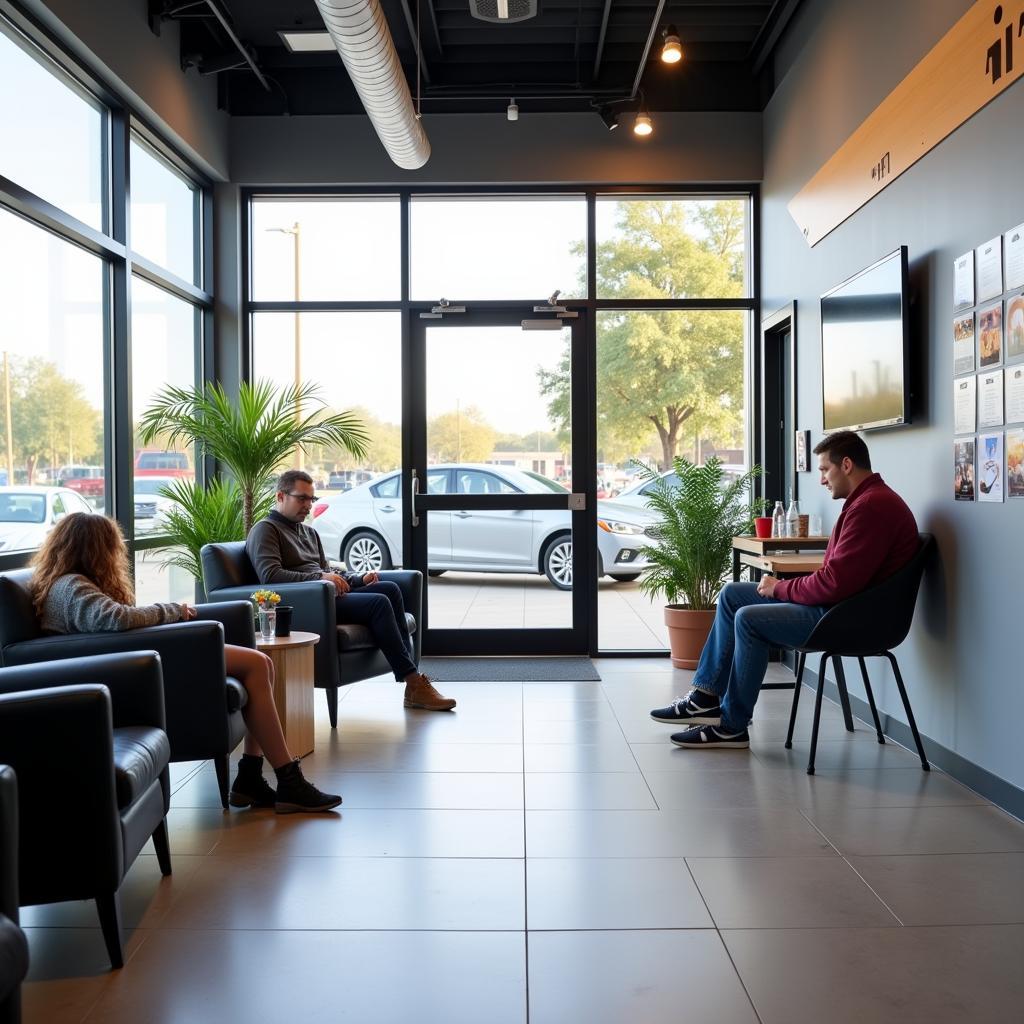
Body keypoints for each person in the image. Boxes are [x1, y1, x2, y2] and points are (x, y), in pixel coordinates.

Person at [29, 513, 341, 814]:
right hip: (135, 669)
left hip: (139, 660)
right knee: (258, 664)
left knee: (262, 666)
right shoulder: (72, 587)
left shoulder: (68, 583)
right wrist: (173, 611)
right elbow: (115, 619)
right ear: (96, 550)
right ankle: (287, 780)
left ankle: (251, 777)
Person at [650, 430, 919, 749]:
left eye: (824, 470)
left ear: (846, 464)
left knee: (748, 619)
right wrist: (784, 588)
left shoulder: (871, 507)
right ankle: (704, 697)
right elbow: (835, 577)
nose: (821, 479)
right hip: (841, 608)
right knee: (733, 594)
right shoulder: (866, 501)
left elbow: (833, 584)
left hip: (844, 618)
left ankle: (732, 725)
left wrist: (780, 589)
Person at [247, 470, 456, 712]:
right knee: (378, 603)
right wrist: (321, 577)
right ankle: (413, 682)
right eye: (301, 498)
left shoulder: (308, 531)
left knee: (389, 588)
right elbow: (270, 576)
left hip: (326, 594)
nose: (308, 505)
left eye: (311, 500)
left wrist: (357, 579)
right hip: (308, 603)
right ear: (280, 496)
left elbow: (326, 570)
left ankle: (413, 684)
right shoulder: (266, 529)